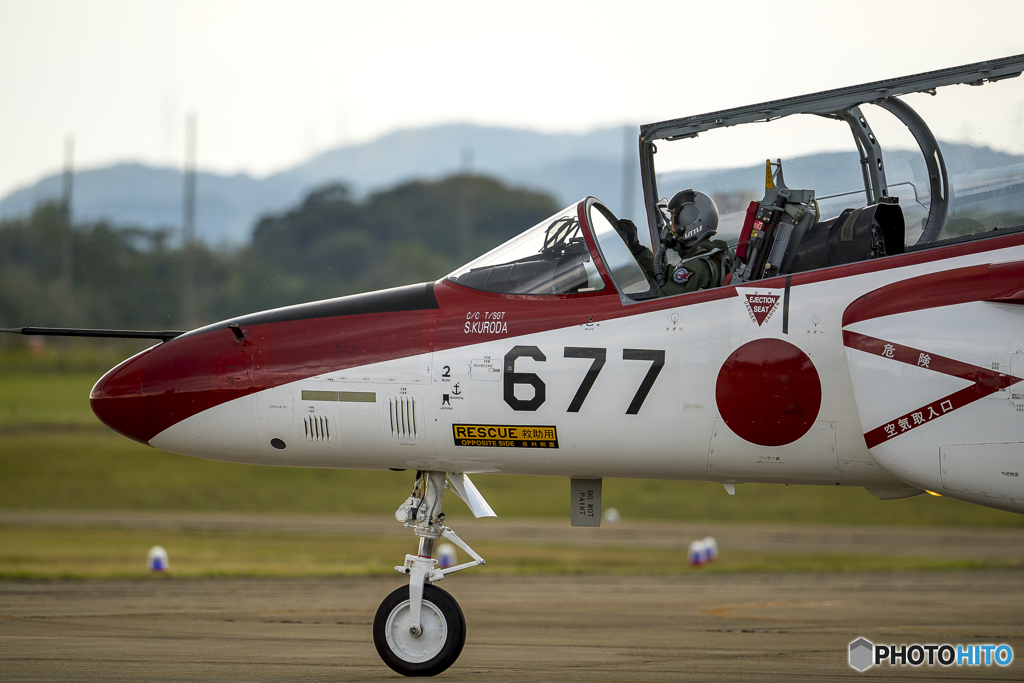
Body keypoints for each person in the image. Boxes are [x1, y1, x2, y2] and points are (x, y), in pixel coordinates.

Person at [616, 189, 730, 296]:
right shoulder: (713, 257)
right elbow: (667, 274)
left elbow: (663, 305)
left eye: (674, 221)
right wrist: (636, 248)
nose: (671, 227)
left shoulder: (696, 267)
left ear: (690, 223)